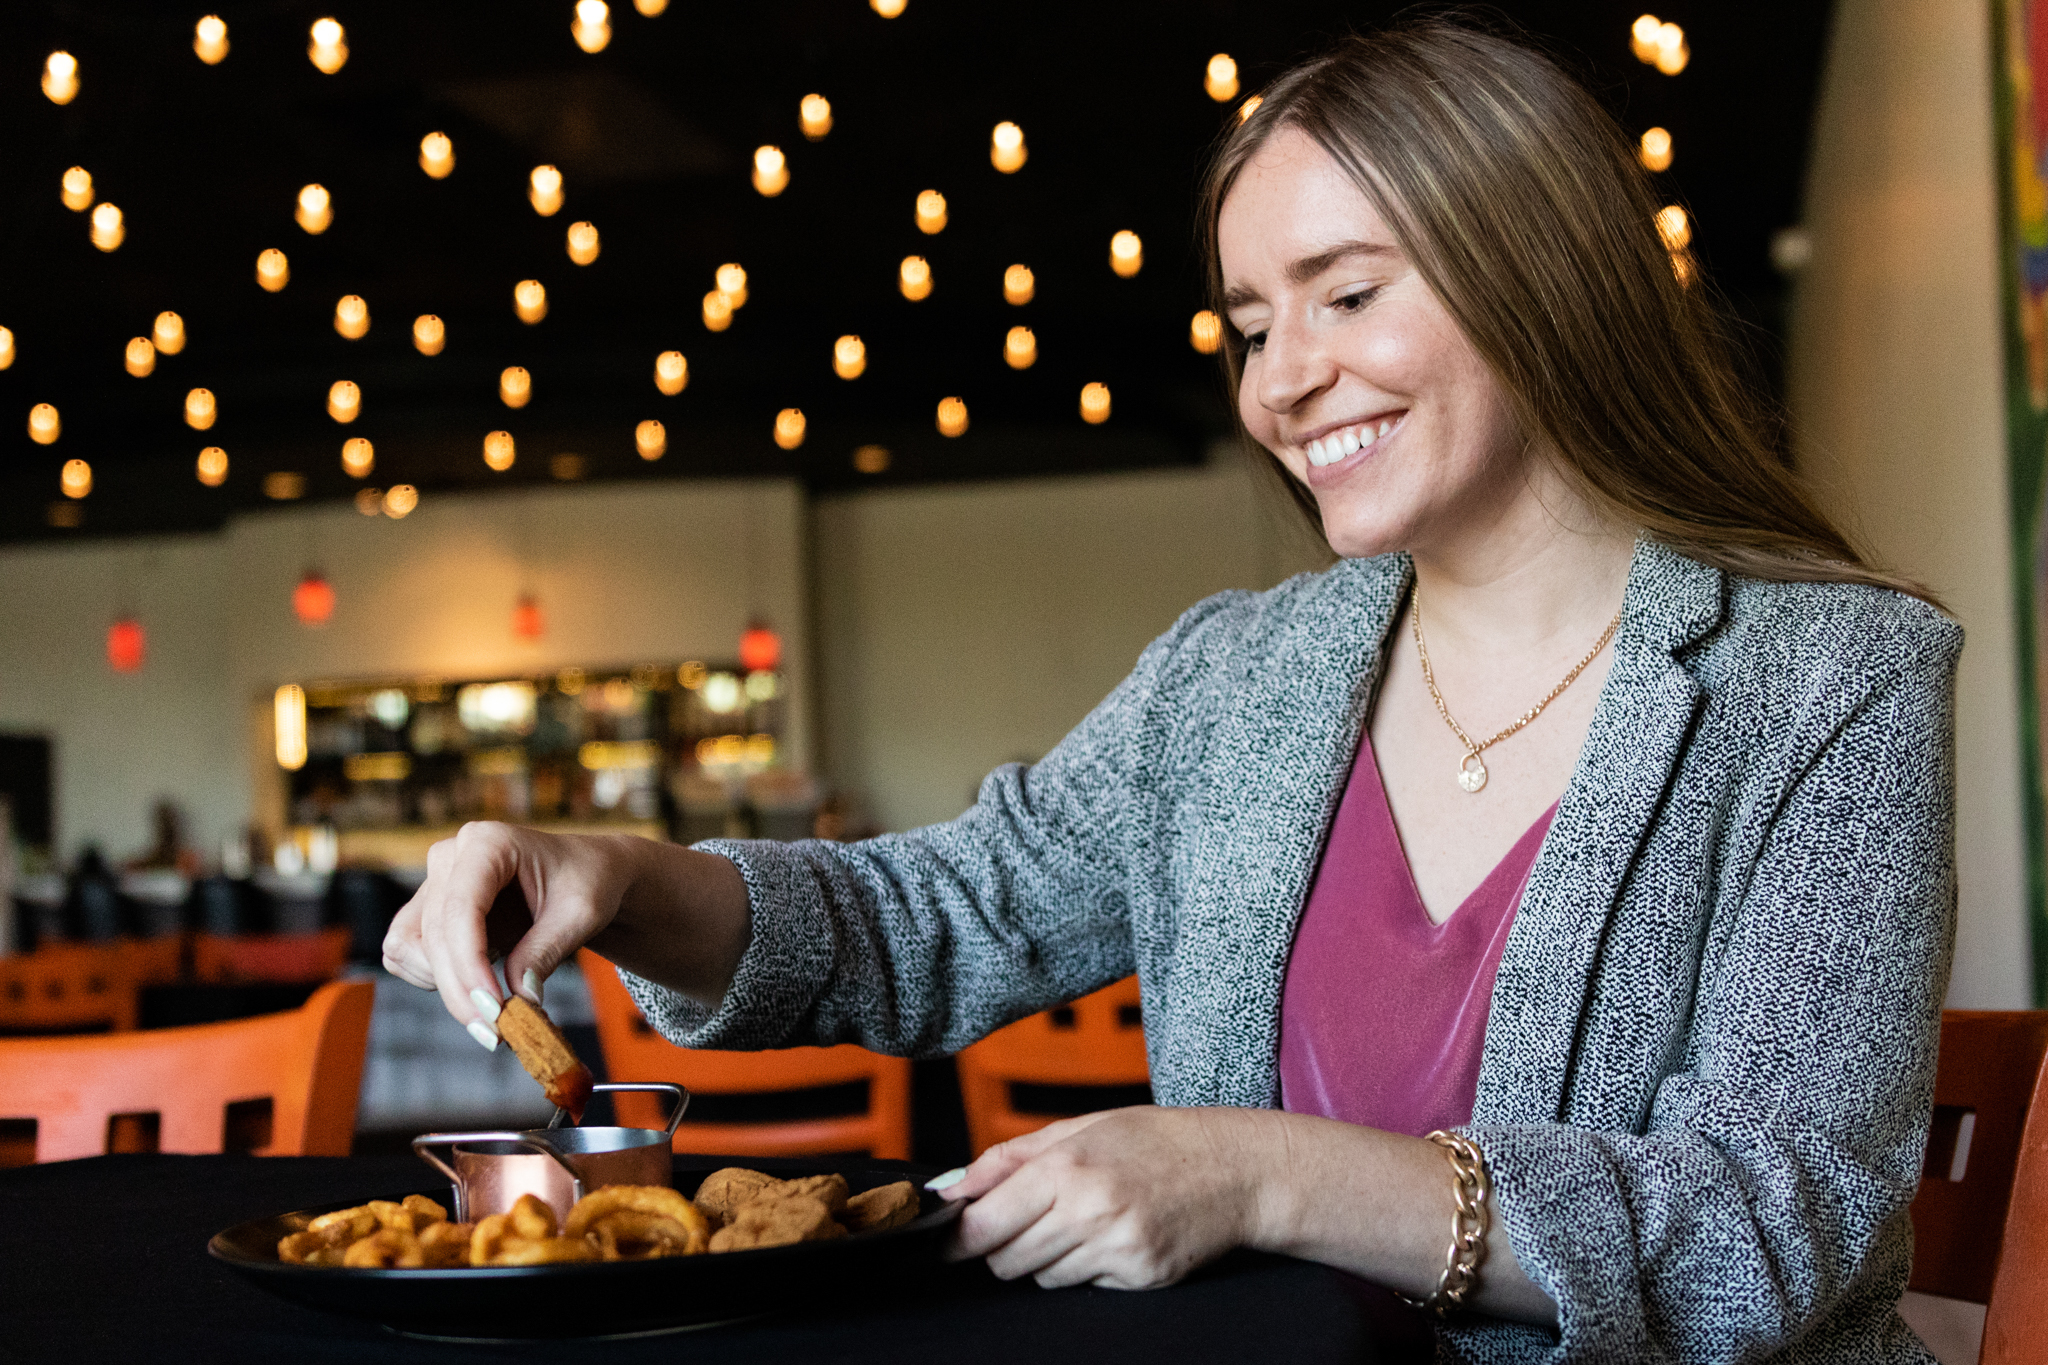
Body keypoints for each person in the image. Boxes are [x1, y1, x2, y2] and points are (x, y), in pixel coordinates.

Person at [385, 21, 1958, 1362]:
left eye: (1346, 295)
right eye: (1253, 324)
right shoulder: (1233, 680)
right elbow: (935, 918)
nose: (1279, 380)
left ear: (1538, 270)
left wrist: (1255, 1172)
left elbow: (1771, 1219)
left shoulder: (1832, 676)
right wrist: (622, 877)